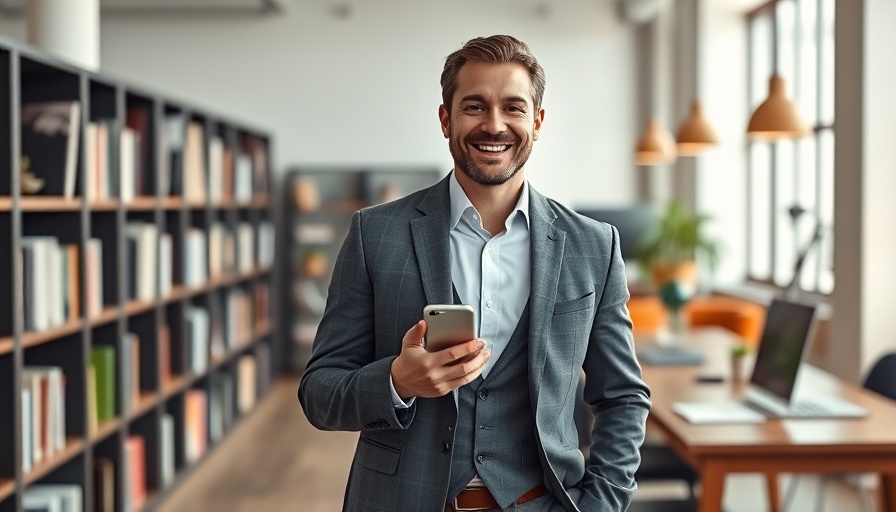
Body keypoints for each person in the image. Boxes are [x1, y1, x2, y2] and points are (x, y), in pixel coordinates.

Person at [299, 34, 651, 512]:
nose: (494, 125)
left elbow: (623, 397)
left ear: (538, 122)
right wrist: (397, 382)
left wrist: (601, 505)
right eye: (474, 107)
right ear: (445, 119)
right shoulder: (375, 234)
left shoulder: (593, 246)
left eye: (513, 107)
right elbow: (320, 392)